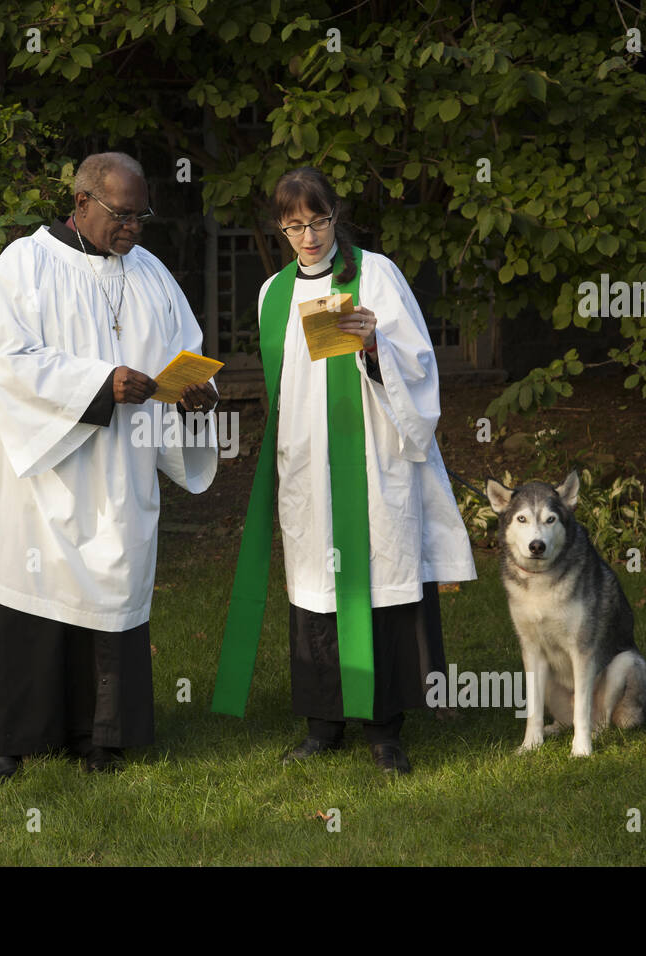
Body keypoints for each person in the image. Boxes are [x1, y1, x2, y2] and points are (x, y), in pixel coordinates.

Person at [0, 152, 219, 782]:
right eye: (123, 214)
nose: (134, 228)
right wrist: (102, 383)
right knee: (22, 589)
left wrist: (194, 394)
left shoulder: (149, 272)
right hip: (37, 475)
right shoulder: (27, 263)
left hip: (117, 473)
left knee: (109, 595)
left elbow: (186, 350)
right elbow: (9, 359)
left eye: (141, 215)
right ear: (82, 203)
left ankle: (97, 737)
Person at [214, 166, 476, 774]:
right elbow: (287, 386)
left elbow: (420, 362)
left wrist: (375, 347)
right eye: (294, 225)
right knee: (314, 586)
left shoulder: (375, 274)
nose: (308, 236)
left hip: (371, 457)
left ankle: (385, 729)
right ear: (280, 227)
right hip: (307, 461)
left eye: (319, 220)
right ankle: (322, 722)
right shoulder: (272, 293)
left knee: (376, 581)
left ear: (337, 215)